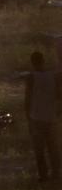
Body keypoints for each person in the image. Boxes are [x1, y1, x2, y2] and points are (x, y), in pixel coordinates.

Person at [26, 51, 62, 182]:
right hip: (52, 118)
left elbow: (27, 100)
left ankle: (43, 176)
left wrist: (28, 119)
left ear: (32, 62)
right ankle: (57, 174)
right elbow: (59, 96)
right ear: (43, 61)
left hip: (36, 118)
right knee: (54, 149)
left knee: (39, 151)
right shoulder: (54, 76)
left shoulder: (31, 77)